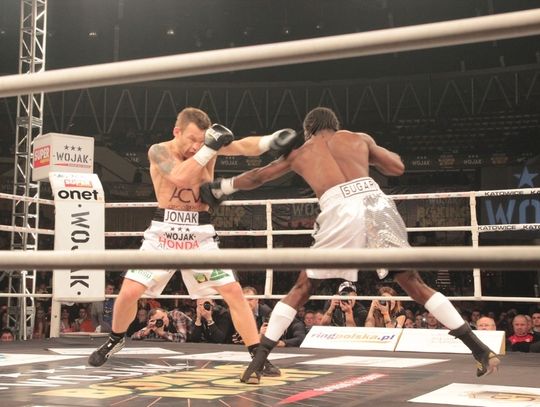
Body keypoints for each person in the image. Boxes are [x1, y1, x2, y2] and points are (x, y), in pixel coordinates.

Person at [200, 106, 500, 382]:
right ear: (335, 125)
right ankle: (480, 350)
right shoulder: (358, 138)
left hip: (340, 208)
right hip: (377, 202)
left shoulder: (301, 151)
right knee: (413, 283)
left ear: (308, 130)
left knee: (304, 286)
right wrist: (367, 152)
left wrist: (222, 187)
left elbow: (258, 177)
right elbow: (396, 167)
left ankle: (257, 362)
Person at [88, 107, 296, 384]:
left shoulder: (206, 148)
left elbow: (242, 146)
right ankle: (115, 339)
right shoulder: (158, 151)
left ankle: (258, 357)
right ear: (177, 132)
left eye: (201, 140)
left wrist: (272, 140)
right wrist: (209, 147)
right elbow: (179, 177)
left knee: (234, 293)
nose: (196, 146)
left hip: (200, 234)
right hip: (163, 233)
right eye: (192, 139)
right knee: (128, 292)